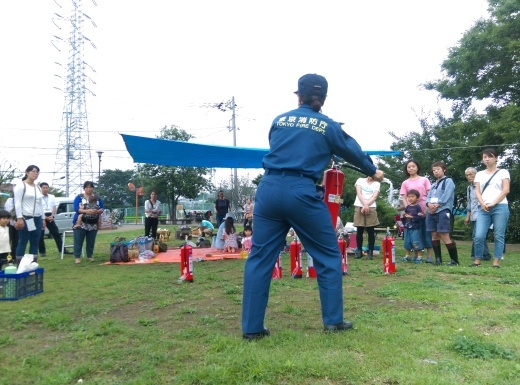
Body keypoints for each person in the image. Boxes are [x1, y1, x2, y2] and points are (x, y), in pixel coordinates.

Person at [241, 73, 384, 340]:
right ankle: (333, 321)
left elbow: (282, 146)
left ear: (298, 95)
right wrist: (372, 170)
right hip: (302, 191)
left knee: (259, 258)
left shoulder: (279, 120)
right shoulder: (327, 125)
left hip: (269, 189)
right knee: (328, 255)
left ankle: (251, 328)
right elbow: (350, 149)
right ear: (323, 99)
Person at [472, 148, 510, 268]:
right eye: (484, 157)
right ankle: (477, 259)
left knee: (498, 235)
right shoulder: (479, 174)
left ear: (496, 158)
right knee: (479, 235)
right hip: (483, 208)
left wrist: (493, 203)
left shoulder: (503, 172)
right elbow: (477, 191)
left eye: (490, 156)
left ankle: (496, 261)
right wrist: (482, 203)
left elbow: (506, 190)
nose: (487, 159)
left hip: (500, 207)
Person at [399, 160, 433, 262]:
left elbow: (430, 195)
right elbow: (404, 198)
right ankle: (415, 255)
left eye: (413, 166)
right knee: (413, 233)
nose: (411, 168)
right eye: (409, 167)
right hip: (411, 214)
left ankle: (429, 256)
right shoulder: (405, 183)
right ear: (406, 169)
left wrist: (426, 209)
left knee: (426, 232)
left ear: (417, 168)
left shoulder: (424, 180)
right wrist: (408, 209)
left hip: (425, 210)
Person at [425, 161, 459, 266]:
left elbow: (447, 195)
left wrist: (437, 205)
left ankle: (454, 260)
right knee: (434, 235)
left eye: (438, 169)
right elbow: (428, 197)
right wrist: (429, 204)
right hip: (431, 211)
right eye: (434, 170)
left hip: (443, 210)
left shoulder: (448, 181)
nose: (435, 171)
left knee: (444, 235)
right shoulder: (433, 184)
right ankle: (438, 259)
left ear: (444, 170)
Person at [13, 165, 44, 265]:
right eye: (33, 171)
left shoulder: (38, 187)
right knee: (23, 241)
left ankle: (32, 264)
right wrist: (19, 218)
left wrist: (43, 219)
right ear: (27, 172)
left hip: (37, 217)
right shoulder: (20, 186)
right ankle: (20, 265)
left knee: (35, 241)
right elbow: (17, 203)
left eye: (37, 172)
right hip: (26, 217)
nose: (36, 174)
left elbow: (40, 204)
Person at [72, 181, 104, 264]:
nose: (89, 189)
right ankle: (77, 257)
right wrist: (86, 211)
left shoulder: (97, 198)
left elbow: (102, 208)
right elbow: (76, 208)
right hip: (82, 222)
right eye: (87, 187)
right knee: (78, 240)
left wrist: (97, 211)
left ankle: (90, 256)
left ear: (93, 188)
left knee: (91, 241)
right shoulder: (79, 197)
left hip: (93, 223)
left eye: (90, 187)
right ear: (84, 188)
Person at [464, 167, 492, 261]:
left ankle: (478, 255)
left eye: (471, 174)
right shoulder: (469, 188)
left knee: (477, 235)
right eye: (467, 175)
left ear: (477, 175)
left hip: (482, 213)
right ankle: (485, 255)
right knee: (478, 235)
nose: (469, 176)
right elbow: (469, 203)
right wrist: (467, 217)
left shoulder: (482, 186)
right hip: (473, 215)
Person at [352, 176, 380, 260]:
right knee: (359, 230)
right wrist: (365, 204)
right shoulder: (360, 180)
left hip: (371, 207)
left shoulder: (377, 183)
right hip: (359, 205)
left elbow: (374, 196)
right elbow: (359, 193)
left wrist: (367, 205)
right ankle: (359, 251)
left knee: (371, 230)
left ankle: (370, 252)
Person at [38, 182, 69, 256]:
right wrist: (44, 218)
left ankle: (62, 249)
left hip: (50, 215)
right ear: (40, 189)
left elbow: (54, 207)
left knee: (56, 233)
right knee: (40, 235)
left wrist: (52, 215)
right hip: (41, 216)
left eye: (46, 187)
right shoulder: (38, 197)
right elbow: (38, 209)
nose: (45, 189)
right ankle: (42, 252)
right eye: (43, 188)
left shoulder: (52, 196)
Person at [402, 190, 425, 263]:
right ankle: (407, 256)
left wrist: (412, 217)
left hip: (415, 228)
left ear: (417, 198)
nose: (410, 198)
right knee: (407, 242)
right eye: (409, 197)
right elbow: (405, 218)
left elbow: (421, 217)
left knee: (416, 241)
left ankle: (419, 257)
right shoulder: (407, 207)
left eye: (412, 197)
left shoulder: (418, 207)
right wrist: (404, 215)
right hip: (407, 227)